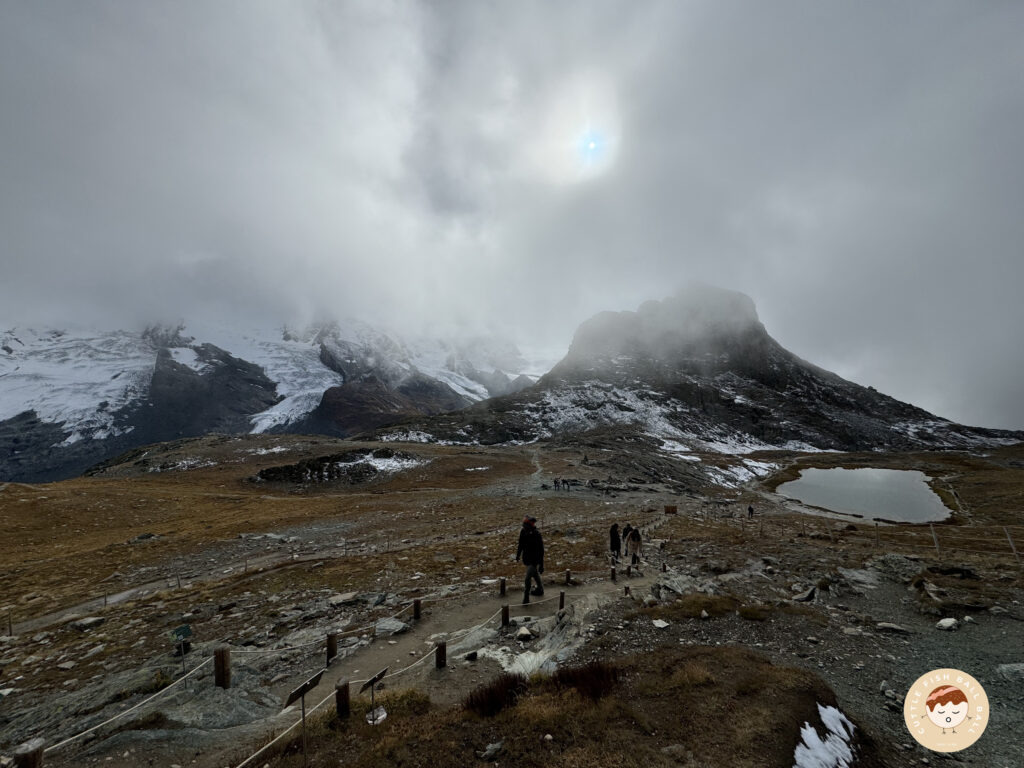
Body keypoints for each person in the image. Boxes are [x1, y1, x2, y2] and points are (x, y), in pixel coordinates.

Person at [515, 516, 544, 604]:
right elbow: (521, 544)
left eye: (525, 525)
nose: (523, 527)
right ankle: (540, 589)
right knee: (534, 574)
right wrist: (518, 555)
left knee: (528, 578)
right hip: (527, 558)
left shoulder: (536, 534)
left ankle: (526, 597)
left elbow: (541, 550)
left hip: (534, 559)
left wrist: (541, 564)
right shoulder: (523, 532)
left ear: (529, 525)